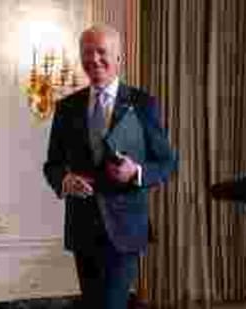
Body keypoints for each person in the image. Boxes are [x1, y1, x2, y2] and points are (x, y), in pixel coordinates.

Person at [43, 24, 178, 308]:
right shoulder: (67, 107)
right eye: (87, 53)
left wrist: (136, 172)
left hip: (125, 228)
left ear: (119, 58)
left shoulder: (143, 103)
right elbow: (52, 164)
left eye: (101, 52)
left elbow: (167, 162)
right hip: (82, 228)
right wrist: (65, 181)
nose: (93, 59)